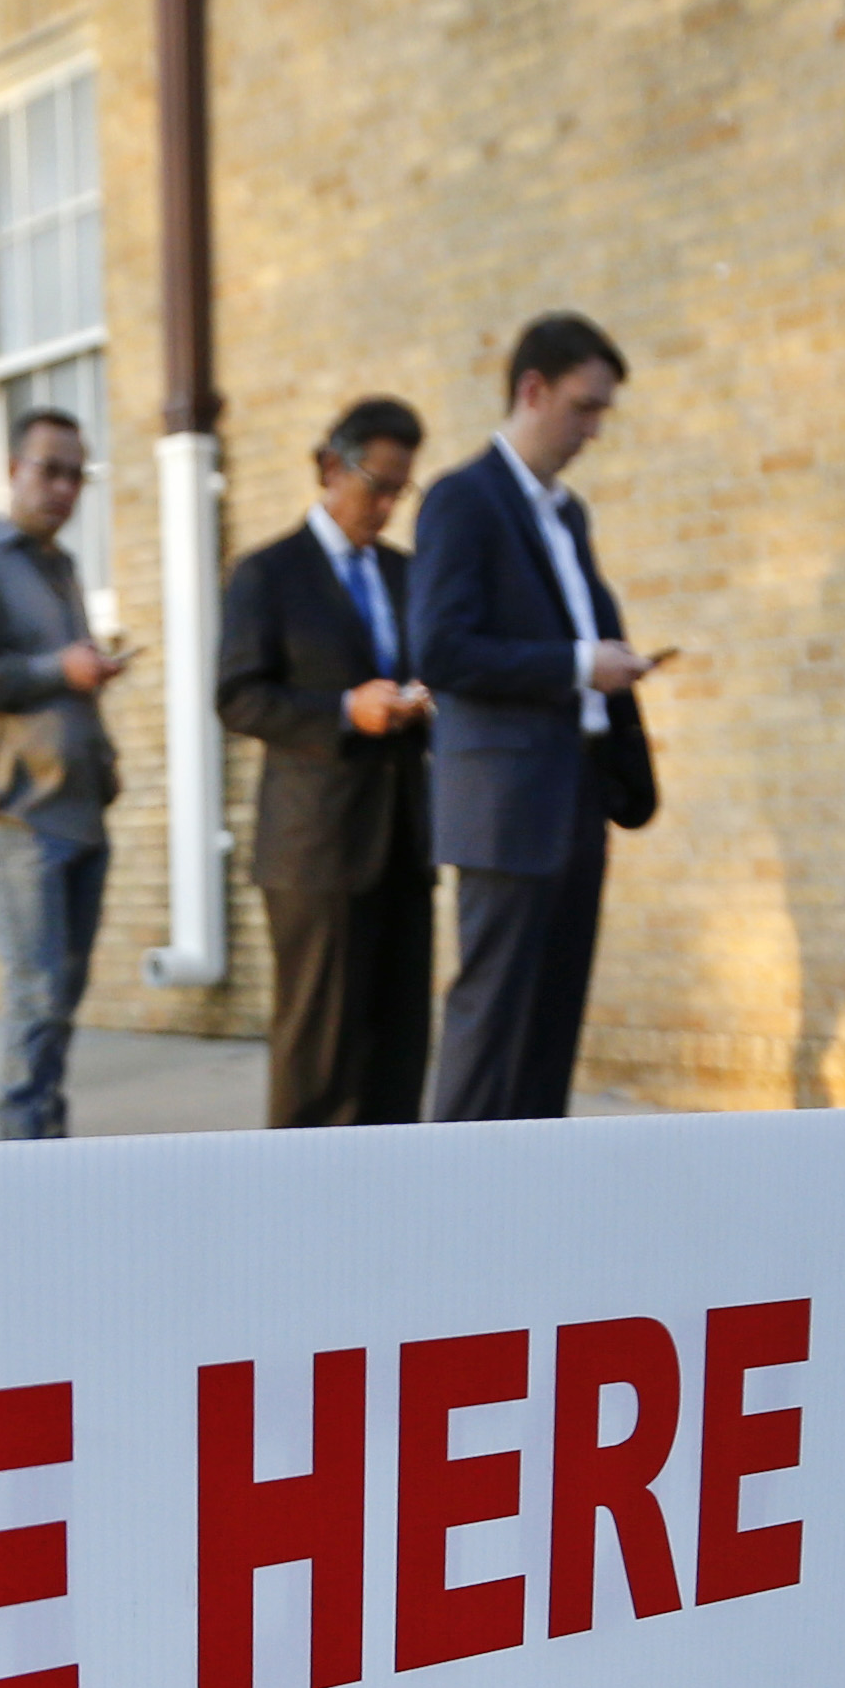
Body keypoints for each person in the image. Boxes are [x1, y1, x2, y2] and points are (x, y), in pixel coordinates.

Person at [416, 311, 664, 1120]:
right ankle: (456, 1222)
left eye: (601, 412)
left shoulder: (569, 514)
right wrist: (576, 665)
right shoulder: (462, 500)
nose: (594, 428)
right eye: (583, 407)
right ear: (532, 389)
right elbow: (443, 651)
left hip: (578, 793)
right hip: (504, 806)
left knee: (552, 1028)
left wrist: (608, 663)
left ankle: (531, 1216)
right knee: (490, 1030)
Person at [220, 396, 438, 1129]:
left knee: (400, 1051)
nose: (387, 504)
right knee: (319, 1056)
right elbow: (239, 698)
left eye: (400, 489)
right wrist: (347, 711)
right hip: (315, 848)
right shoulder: (267, 573)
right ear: (327, 467)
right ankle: (299, 1222)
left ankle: (394, 1213)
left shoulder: (411, 574)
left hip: (406, 839)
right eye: (378, 484)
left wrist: (427, 701)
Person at [0, 410, 127, 1140]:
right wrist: (59, 668)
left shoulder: (62, 566)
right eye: (49, 468)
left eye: (77, 473)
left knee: (63, 995)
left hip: (79, 806)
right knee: (36, 991)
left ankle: (47, 1147)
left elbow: (57, 683)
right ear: (12, 470)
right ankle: (14, 1162)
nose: (65, 486)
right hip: (16, 812)